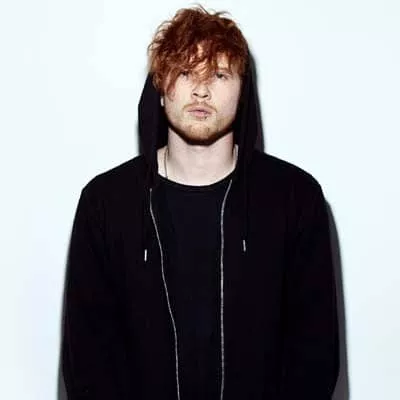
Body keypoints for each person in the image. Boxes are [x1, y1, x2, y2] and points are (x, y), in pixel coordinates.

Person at [62, 6, 339, 400]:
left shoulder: (295, 199)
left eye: (220, 75)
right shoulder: (105, 203)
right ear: (160, 88)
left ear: (243, 90)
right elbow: (87, 358)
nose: (201, 90)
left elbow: (314, 355)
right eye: (185, 72)